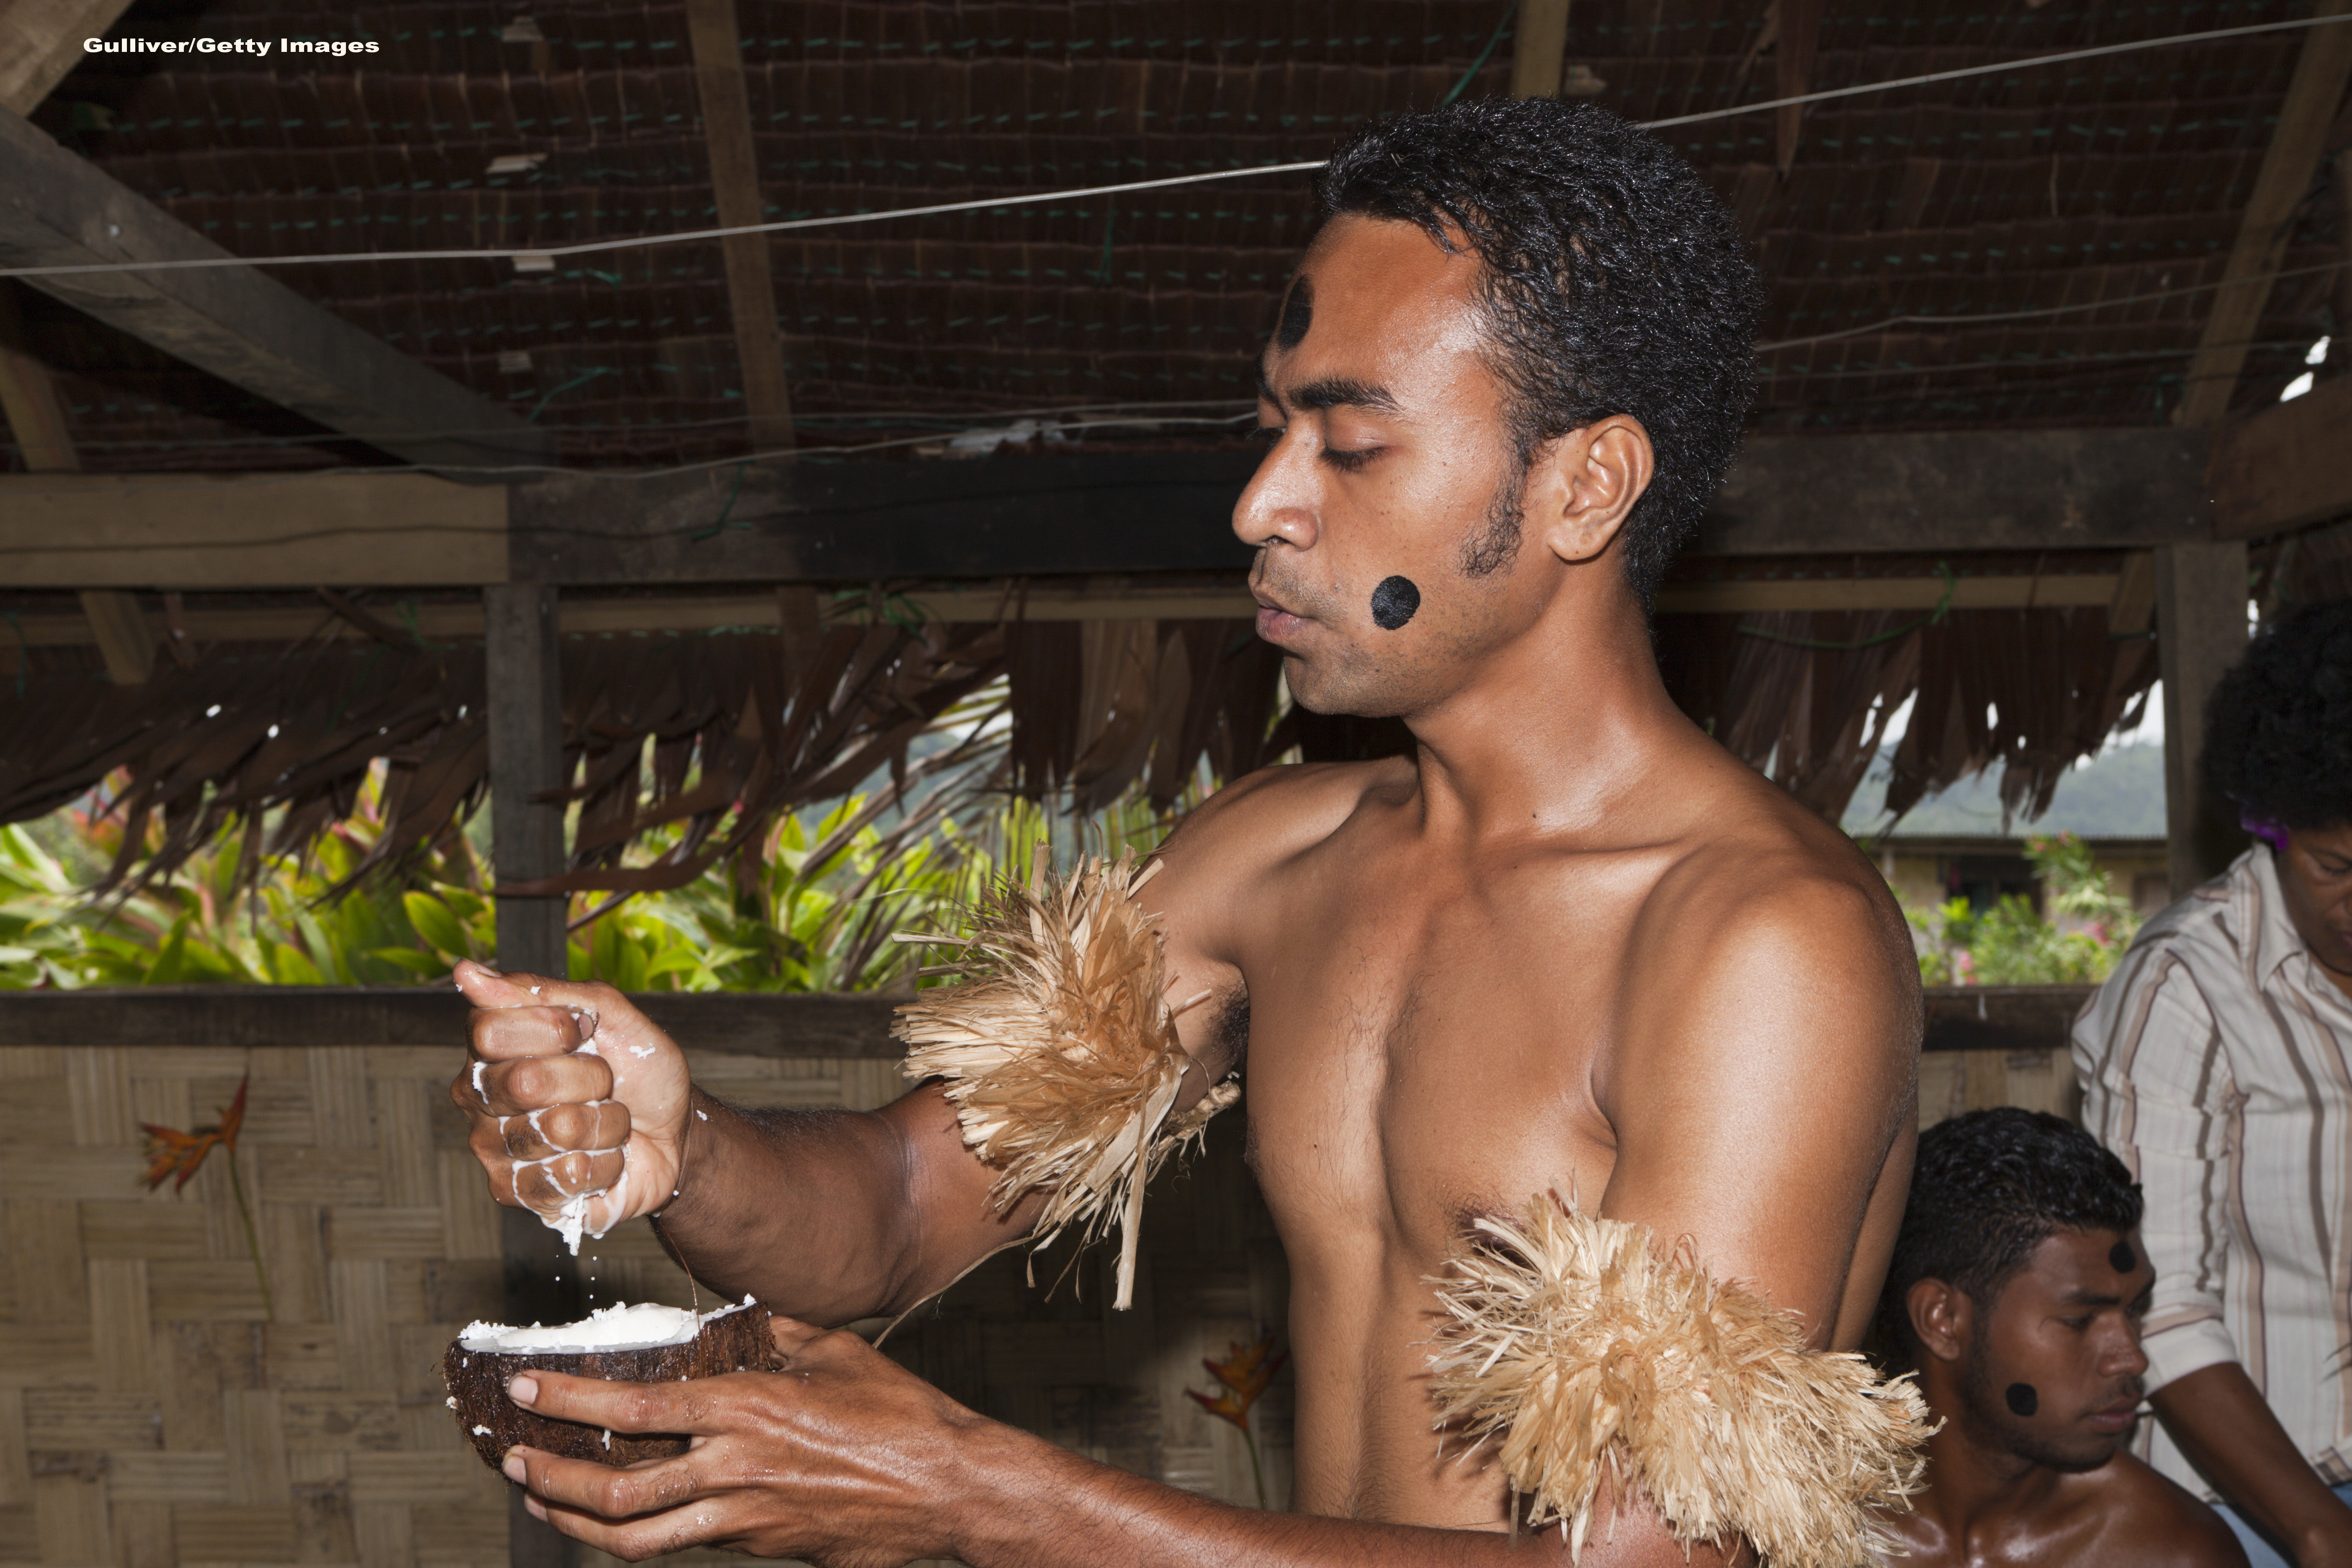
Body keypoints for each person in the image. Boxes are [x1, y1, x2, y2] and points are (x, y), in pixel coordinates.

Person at [454, 97, 1925, 1566]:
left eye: (1348, 442)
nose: (1259, 503)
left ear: (1583, 484)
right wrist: (685, 1147)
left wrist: (977, 1490)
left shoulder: (1759, 944)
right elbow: (900, 1210)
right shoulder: (1267, 863)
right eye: (1272, 426)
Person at [2073, 598, 2352, 1568]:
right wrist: (2320, 1529)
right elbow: (2160, 1300)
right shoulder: (2185, 984)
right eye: (2335, 867)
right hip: (2246, 1497)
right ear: (2270, 823)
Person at [1874, 1106, 2246, 1567]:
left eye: (2135, 1309)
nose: (2132, 1359)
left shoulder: (2172, 1551)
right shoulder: (1803, 1535)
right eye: (2080, 1320)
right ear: (1943, 1319)